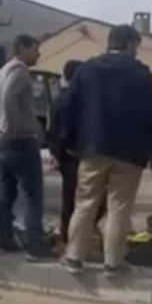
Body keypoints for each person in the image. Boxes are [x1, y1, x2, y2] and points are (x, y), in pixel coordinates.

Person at [60, 24, 152, 277]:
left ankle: (74, 257)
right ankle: (114, 262)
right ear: (129, 44)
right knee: (119, 207)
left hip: (93, 148)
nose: (137, 52)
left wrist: (69, 142)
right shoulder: (142, 74)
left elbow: (68, 108)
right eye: (136, 47)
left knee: (85, 203)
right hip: (130, 153)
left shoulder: (87, 71)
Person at [0, 35, 54, 260]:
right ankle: (35, 244)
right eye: (35, 49)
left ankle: (6, 238)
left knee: (6, 191)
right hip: (18, 141)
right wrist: (15, 129)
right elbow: (10, 100)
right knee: (32, 194)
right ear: (21, 49)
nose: (38, 54)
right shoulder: (19, 72)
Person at [48, 60, 109, 244]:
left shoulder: (60, 98)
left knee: (71, 198)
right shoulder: (76, 100)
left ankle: (69, 235)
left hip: (67, 155)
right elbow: (63, 129)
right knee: (89, 200)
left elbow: (54, 129)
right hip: (76, 155)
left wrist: (55, 152)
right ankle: (72, 236)